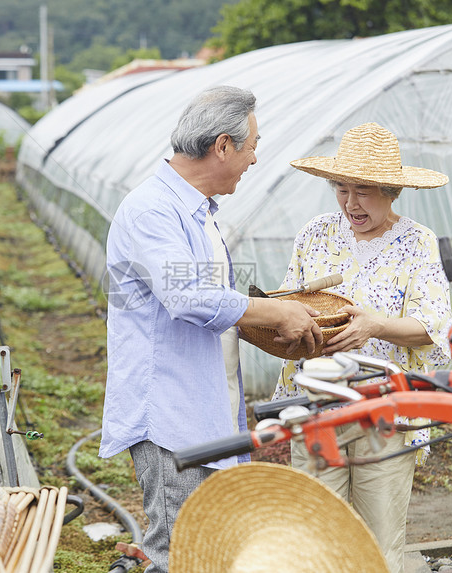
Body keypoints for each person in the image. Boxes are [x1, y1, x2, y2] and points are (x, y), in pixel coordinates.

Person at [98, 85, 324, 573]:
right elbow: (188, 299)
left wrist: (262, 321)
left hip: (203, 405)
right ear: (223, 146)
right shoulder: (153, 210)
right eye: (252, 147)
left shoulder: (198, 214)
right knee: (180, 549)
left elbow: (214, 302)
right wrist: (278, 315)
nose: (255, 160)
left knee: (209, 544)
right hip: (169, 411)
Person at [273, 122, 452, 573]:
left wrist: (376, 326)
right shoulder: (315, 234)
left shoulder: (417, 243)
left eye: (365, 192)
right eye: (342, 189)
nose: (351, 203)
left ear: (392, 191)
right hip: (317, 405)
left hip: (385, 409)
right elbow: (286, 305)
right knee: (317, 535)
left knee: (378, 539)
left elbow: (432, 326)